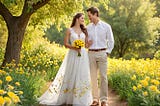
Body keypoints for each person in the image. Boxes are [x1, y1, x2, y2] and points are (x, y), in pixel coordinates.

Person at [38, 13, 93, 106]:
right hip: (72, 54)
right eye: (82, 18)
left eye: (84, 18)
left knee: (82, 74)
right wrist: (74, 47)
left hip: (83, 55)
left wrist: (89, 44)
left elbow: (86, 45)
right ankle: (69, 98)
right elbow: (66, 44)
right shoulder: (69, 30)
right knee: (71, 73)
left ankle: (81, 98)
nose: (84, 20)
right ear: (76, 19)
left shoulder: (85, 30)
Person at [86, 7, 114, 106]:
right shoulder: (88, 27)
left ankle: (104, 100)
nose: (88, 18)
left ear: (95, 14)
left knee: (103, 77)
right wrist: (87, 44)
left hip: (102, 53)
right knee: (93, 77)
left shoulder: (106, 26)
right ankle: (95, 99)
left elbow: (111, 40)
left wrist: (107, 52)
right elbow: (86, 43)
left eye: (89, 15)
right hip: (91, 53)